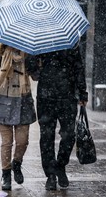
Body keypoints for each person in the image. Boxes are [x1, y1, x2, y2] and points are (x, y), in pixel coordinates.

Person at [25, 45, 88, 190]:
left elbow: (78, 68)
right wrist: (40, 72)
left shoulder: (70, 42)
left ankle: (60, 165)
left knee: (69, 135)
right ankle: (51, 174)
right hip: (46, 97)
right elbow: (30, 64)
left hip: (67, 96)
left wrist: (82, 92)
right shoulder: (39, 42)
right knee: (46, 136)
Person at [0, 43, 36, 191]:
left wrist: (35, 61)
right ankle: (6, 174)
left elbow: (36, 76)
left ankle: (17, 163)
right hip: (3, 101)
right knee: (7, 142)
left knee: (22, 141)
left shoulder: (28, 51)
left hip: (23, 100)